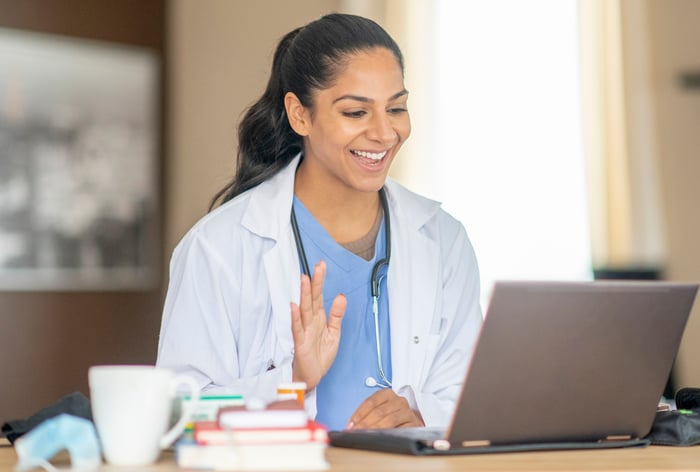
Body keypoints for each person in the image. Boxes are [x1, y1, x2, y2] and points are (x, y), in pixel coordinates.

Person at [156, 13, 482, 432]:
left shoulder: (444, 239)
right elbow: (180, 410)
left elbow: (468, 393)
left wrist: (421, 412)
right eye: (356, 112)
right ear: (300, 115)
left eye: (396, 108)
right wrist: (293, 379)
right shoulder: (219, 247)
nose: (385, 133)